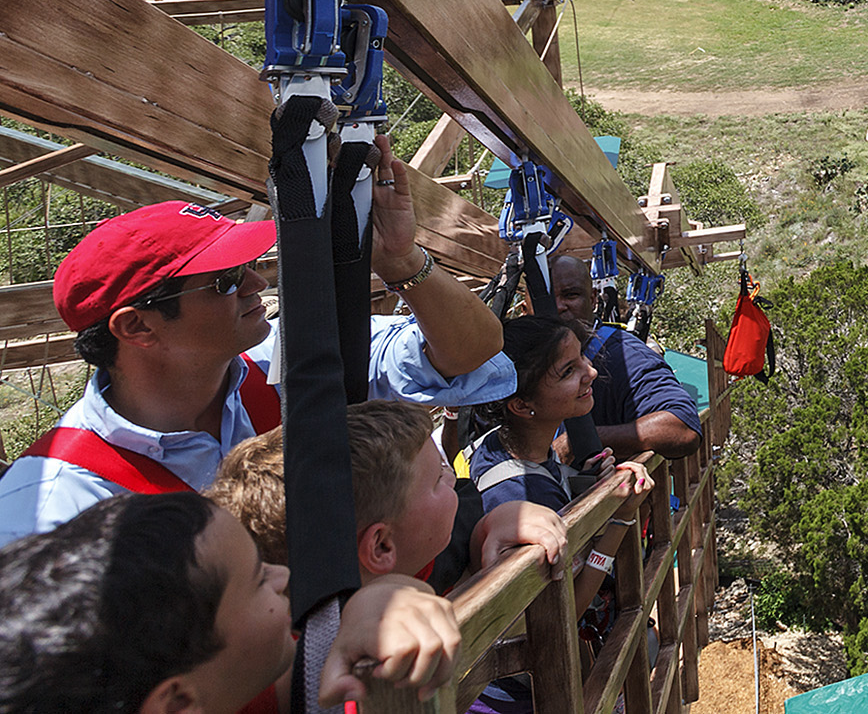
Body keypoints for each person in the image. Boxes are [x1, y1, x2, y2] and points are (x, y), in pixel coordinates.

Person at [0, 137, 513, 544]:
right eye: (225, 281)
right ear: (136, 328)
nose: (256, 285)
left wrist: (400, 262)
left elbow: (472, 354)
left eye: (246, 267)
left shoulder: (284, 362)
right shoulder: (53, 503)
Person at [208, 400, 567, 714]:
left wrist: (489, 528)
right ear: (381, 547)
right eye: (438, 479)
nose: (453, 477)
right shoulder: (275, 681)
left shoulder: (403, 563)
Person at [0, 490, 457, 714]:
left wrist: (383, 596)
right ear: (176, 703)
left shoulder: (226, 684)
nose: (284, 577)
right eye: (259, 579)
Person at [461, 315, 655, 714]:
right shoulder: (518, 495)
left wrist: (584, 482)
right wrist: (619, 517)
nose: (591, 372)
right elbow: (568, 608)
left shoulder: (498, 444)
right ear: (521, 404)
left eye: (582, 358)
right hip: (522, 694)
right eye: (569, 371)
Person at [548, 255, 701, 463]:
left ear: (593, 299)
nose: (558, 306)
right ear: (524, 306)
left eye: (570, 295)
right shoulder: (520, 359)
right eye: (545, 297)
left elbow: (681, 427)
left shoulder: (624, 355)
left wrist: (579, 441)